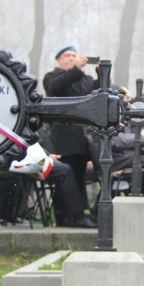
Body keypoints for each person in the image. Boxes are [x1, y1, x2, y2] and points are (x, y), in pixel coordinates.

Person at [43, 45, 99, 207]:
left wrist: (101, 73)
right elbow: (56, 87)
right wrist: (76, 70)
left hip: (81, 139)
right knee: (67, 179)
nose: (71, 58)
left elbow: (99, 93)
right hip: (63, 138)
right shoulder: (52, 76)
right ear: (58, 59)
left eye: (74, 55)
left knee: (79, 178)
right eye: (67, 55)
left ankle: (80, 213)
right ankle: (67, 216)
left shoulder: (84, 79)